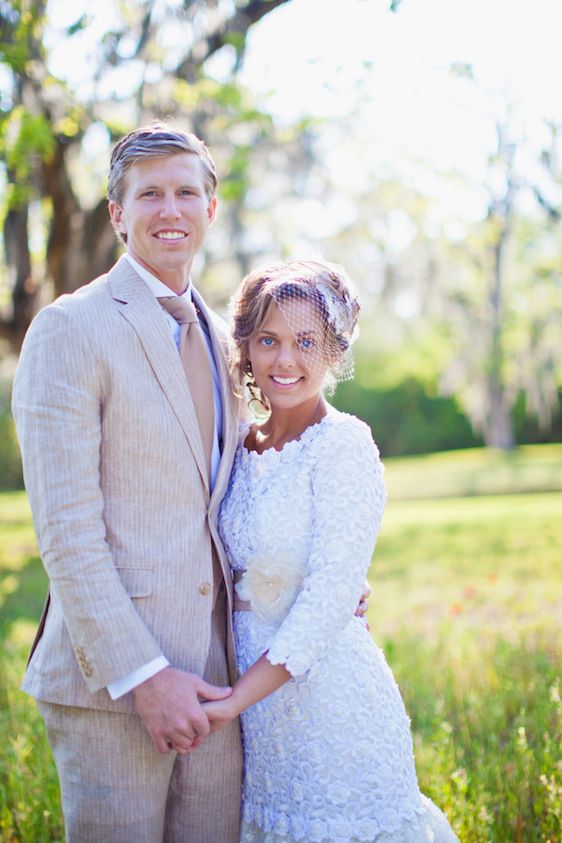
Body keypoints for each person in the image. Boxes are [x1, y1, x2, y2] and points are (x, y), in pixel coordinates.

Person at [12, 123, 246, 842]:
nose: (168, 208)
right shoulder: (69, 329)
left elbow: (229, 499)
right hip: (113, 687)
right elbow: (66, 532)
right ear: (118, 215)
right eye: (149, 194)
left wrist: (315, 581)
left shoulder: (228, 335)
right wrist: (144, 675)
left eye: (185, 191)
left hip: (220, 682)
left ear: (211, 209)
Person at [202, 260, 460, 842]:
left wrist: (233, 702)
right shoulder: (237, 445)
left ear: (335, 352)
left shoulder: (344, 445)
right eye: (268, 340)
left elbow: (331, 595)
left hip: (331, 702)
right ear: (245, 348)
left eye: (306, 342)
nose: (284, 360)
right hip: (263, 724)